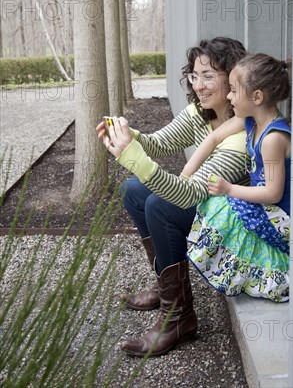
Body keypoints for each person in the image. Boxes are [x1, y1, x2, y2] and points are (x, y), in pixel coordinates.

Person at [96, 37, 248, 357]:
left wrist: (132, 156)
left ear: (234, 77)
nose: (200, 85)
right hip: (209, 204)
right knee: (134, 191)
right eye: (195, 76)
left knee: (160, 204)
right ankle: (166, 287)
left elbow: (189, 192)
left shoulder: (244, 135)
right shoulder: (200, 113)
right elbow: (160, 144)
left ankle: (178, 318)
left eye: (209, 76)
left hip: (237, 224)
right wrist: (129, 134)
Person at [182, 53, 291, 302]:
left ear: (257, 97)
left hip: (280, 218)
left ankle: (260, 270)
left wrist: (229, 189)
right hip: (264, 206)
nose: (228, 97)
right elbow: (213, 138)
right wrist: (185, 176)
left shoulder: (273, 138)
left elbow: (273, 193)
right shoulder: (250, 120)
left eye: (233, 91)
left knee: (220, 205)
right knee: (212, 202)